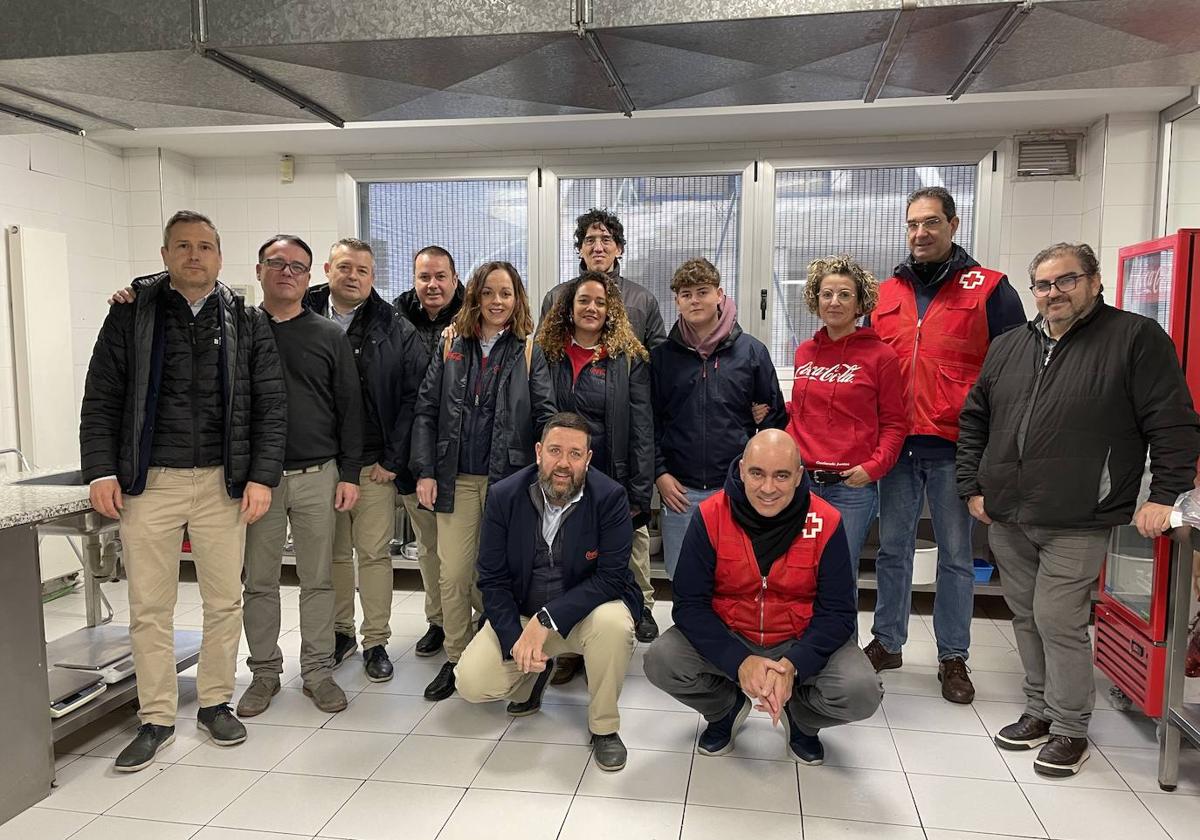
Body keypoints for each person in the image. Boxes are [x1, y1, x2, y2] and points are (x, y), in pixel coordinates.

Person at [957, 241, 1200, 776]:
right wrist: (972, 488)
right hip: (1008, 513)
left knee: (1057, 618)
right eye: (1042, 285)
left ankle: (1070, 727)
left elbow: (1173, 421)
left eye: (1065, 281)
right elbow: (974, 420)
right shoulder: (1009, 346)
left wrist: (1165, 495)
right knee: (1025, 616)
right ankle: (1040, 710)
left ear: (1093, 282)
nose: (1053, 293)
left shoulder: (1134, 338)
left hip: (1079, 514)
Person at [81, 210, 287, 771]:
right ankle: (157, 716)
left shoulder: (246, 319)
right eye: (183, 246)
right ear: (166, 254)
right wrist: (100, 469)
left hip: (223, 483)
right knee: (151, 605)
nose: (194, 256)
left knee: (225, 599)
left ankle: (216, 701)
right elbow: (101, 397)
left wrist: (262, 477)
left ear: (220, 257)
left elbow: (270, 406)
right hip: (151, 484)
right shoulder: (132, 317)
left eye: (204, 246)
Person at [863, 186, 1025, 704]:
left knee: (957, 556)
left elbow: (1014, 372)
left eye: (931, 222)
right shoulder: (885, 293)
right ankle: (887, 642)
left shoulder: (990, 289)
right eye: (912, 224)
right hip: (896, 446)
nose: (920, 233)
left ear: (953, 225)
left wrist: (999, 450)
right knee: (892, 551)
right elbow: (869, 364)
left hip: (958, 446)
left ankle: (954, 655)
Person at [643, 430, 882, 763]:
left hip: (798, 639)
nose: (768, 488)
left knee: (862, 691)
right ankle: (725, 708)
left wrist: (794, 666)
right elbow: (689, 605)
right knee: (661, 660)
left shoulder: (826, 521)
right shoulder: (711, 516)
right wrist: (738, 662)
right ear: (741, 470)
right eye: (757, 473)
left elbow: (838, 612)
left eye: (781, 476)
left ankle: (801, 717)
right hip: (732, 634)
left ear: (799, 476)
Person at [455, 412, 640, 772]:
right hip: (524, 613)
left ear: (588, 459)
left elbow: (611, 578)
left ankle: (604, 727)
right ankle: (534, 672)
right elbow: (492, 579)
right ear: (539, 451)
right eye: (555, 450)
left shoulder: (611, 498)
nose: (563, 463)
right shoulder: (504, 496)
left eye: (575, 454)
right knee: (471, 683)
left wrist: (547, 620)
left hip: (584, 618)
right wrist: (515, 641)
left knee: (615, 624)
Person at [411, 260, 556, 701]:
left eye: (506, 293)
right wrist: (425, 471)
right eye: (489, 292)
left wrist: (540, 479)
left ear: (518, 300)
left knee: (501, 576)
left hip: (509, 485)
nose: (497, 301)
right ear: (475, 296)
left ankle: (504, 651)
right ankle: (456, 660)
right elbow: (427, 410)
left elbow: (546, 416)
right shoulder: (451, 343)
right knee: (454, 575)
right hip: (454, 479)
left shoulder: (530, 349)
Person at [237, 235, 363, 718]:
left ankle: (316, 671)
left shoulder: (329, 334)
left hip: (319, 474)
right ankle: (264, 673)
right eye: (277, 263)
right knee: (260, 582)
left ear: (310, 276)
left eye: (297, 266)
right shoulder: (242, 331)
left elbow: (350, 410)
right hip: (259, 480)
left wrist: (348, 473)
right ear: (259, 269)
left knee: (318, 579)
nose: (287, 272)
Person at [305, 237, 419, 683]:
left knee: (373, 555)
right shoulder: (301, 314)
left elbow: (412, 396)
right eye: (345, 268)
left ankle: (375, 641)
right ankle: (339, 634)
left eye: (363, 271)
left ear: (373, 278)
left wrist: (393, 458)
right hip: (321, 462)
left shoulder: (393, 324)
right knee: (331, 557)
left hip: (373, 464)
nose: (353, 277)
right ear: (329, 269)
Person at [651, 257, 787, 579]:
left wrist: (750, 475)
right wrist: (660, 474)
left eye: (703, 291)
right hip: (679, 490)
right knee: (682, 578)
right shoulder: (661, 358)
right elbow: (650, 423)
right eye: (686, 294)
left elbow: (774, 419)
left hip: (734, 489)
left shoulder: (752, 352)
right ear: (677, 302)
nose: (695, 300)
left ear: (720, 295)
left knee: (734, 577)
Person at [787, 256, 907, 580]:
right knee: (800, 571)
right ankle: (803, 633)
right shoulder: (804, 353)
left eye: (844, 294)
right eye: (827, 294)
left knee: (839, 574)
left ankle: (843, 634)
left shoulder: (881, 356)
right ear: (816, 299)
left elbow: (895, 422)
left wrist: (873, 468)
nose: (834, 302)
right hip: (804, 483)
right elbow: (805, 410)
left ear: (860, 303)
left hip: (851, 489)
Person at [394, 245, 466, 657]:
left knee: (464, 552)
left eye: (441, 276)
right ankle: (439, 621)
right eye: (424, 277)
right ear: (414, 280)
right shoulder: (395, 318)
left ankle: (470, 619)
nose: (432, 285)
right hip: (413, 453)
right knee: (429, 547)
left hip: (463, 457)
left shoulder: (473, 317)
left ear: (455, 279)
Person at [539, 208, 667, 352]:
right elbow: (540, 356)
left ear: (619, 249)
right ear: (580, 249)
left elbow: (659, 359)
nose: (598, 248)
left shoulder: (643, 301)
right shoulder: (556, 298)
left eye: (606, 240)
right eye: (590, 240)